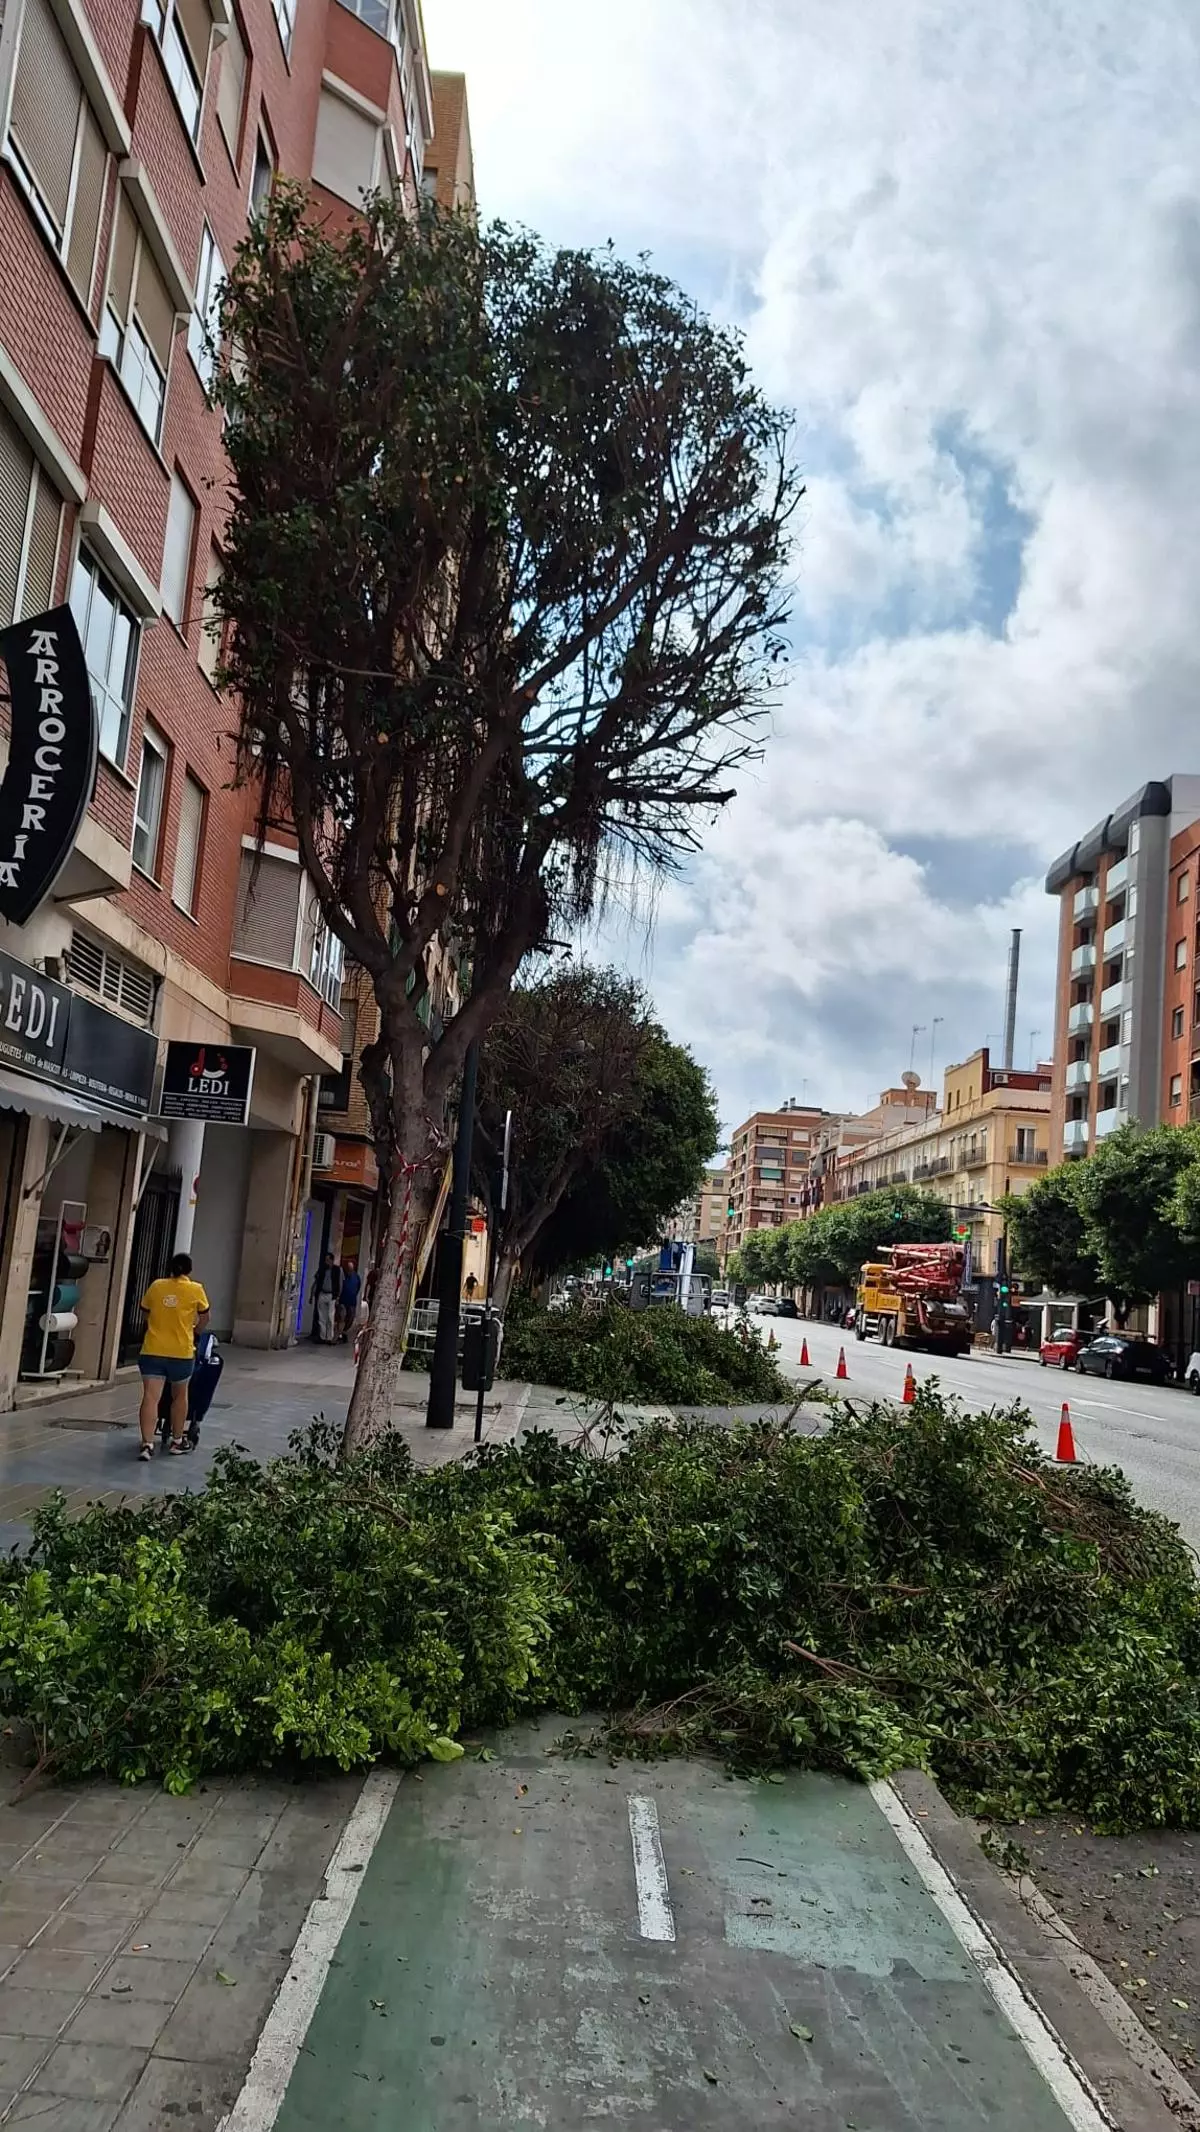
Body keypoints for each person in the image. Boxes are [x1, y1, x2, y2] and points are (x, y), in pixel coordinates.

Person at [138, 1252, 210, 1461]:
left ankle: (147, 1444)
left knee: (150, 1397)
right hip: (181, 1352)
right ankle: (177, 1441)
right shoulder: (196, 1289)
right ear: (189, 1270)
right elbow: (205, 1317)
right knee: (180, 1396)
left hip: (152, 1350)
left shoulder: (156, 1286)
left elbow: (145, 1312)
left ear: (170, 1268)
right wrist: (195, 1331)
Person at [312, 1252, 342, 1343]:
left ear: (332, 1260)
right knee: (322, 1316)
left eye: (328, 1260)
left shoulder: (337, 1270)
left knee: (330, 1316)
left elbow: (340, 1283)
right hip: (322, 1293)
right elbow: (317, 1281)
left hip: (331, 1295)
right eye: (326, 1260)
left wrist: (338, 1296)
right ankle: (322, 1336)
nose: (327, 1262)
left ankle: (329, 1337)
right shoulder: (322, 1269)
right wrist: (313, 1293)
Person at [338, 1257, 361, 1342]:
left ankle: (344, 1331)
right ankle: (340, 1334)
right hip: (343, 1300)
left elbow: (358, 1287)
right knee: (342, 1317)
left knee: (351, 1317)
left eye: (351, 1267)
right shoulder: (343, 1276)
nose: (350, 1269)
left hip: (352, 1300)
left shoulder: (356, 1277)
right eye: (349, 1267)